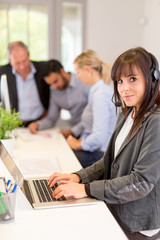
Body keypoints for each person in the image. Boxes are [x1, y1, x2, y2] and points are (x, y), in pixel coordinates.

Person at [48, 47, 160, 240]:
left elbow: (141, 182)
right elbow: (108, 160)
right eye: (120, 81)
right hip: (117, 212)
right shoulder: (128, 113)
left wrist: (86, 189)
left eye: (132, 79)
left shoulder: (156, 121)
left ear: (152, 78)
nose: (124, 88)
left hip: (138, 225)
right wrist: (78, 177)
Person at [63, 50, 117, 168]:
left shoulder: (100, 95)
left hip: (99, 154)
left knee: (63, 159)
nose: (77, 77)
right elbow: (89, 122)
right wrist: (73, 133)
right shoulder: (100, 89)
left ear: (88, 70)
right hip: (96, 149)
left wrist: (78, 144)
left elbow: (99, 136)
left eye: (78, 72)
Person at [28, 59, 90, 136]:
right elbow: (51, 118)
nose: (54, 86)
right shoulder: (54, 91)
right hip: (75, 133)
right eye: (50, 84)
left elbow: (92, 114)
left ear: (62, 71)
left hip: (90, 131)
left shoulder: (83, 81)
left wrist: (73, 131)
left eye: (55, 81)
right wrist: (37, 124)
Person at [0, 41, 50, 126]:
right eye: (17, 63)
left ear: (28, 55)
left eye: (24, 60)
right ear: (10, 61)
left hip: (40, 121)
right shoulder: (2, 72)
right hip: (14, 124)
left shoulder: (43, 68)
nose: (22, 66)